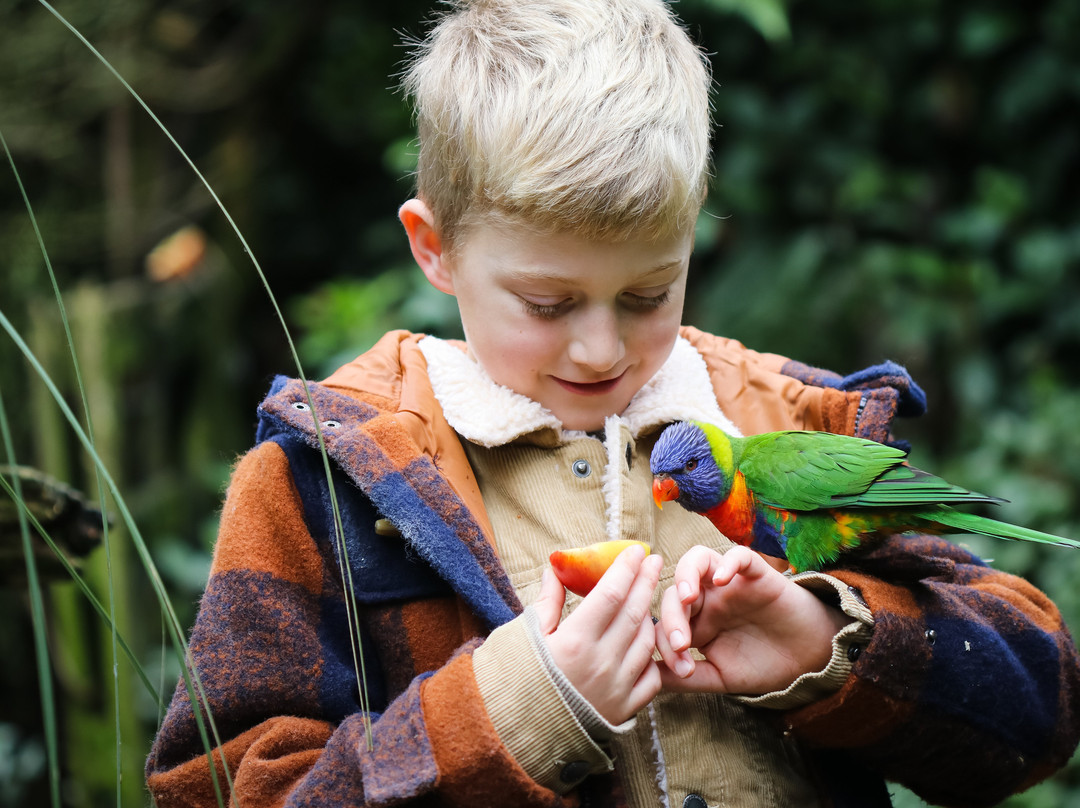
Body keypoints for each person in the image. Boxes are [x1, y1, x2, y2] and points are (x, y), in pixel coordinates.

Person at [145, 1, 1080, 805]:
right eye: (547, 305)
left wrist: (828, 642)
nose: (601, 348)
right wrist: (516, 710)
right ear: (434, 248)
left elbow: (1039, 710)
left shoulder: (783, 419)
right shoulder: (325, 483)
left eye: (647, 296)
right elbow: (217, 788)